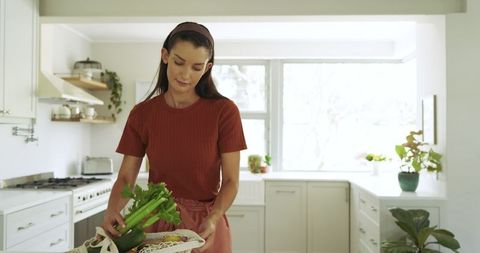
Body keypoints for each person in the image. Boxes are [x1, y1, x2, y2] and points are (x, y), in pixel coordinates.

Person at [102, 21, 247, 252]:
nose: (186, 75)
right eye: (179, 62)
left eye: (197, 67)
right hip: (154, 224)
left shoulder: (224, 112)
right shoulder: (142, 114)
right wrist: (112, 209)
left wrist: (214, 216)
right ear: (165, 55)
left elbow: (231, 181)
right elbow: (126, 178)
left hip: (204, 226)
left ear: (208, 68)